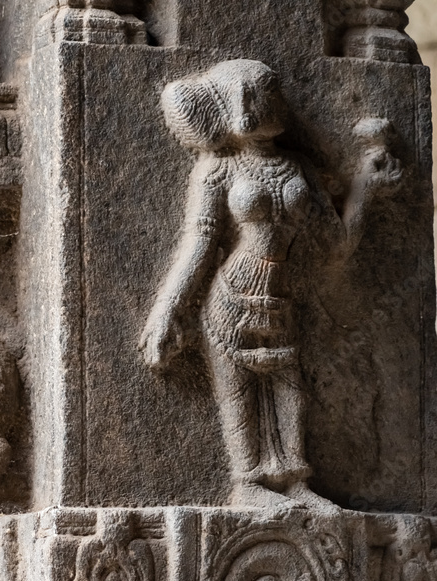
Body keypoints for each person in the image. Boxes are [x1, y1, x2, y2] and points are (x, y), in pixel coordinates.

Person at [139, 59, 402, 510]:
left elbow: (336, 244)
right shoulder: (217, 170)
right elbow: (199, 245)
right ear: (241, 106)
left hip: (280, 296)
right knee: (240, 387)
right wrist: (167, 309)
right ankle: (249, 483)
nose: (278, 100)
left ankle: (296, 485)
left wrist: (365, 189)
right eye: (266, 93)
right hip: (230, 298)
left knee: (289, 388)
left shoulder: (297, 168)